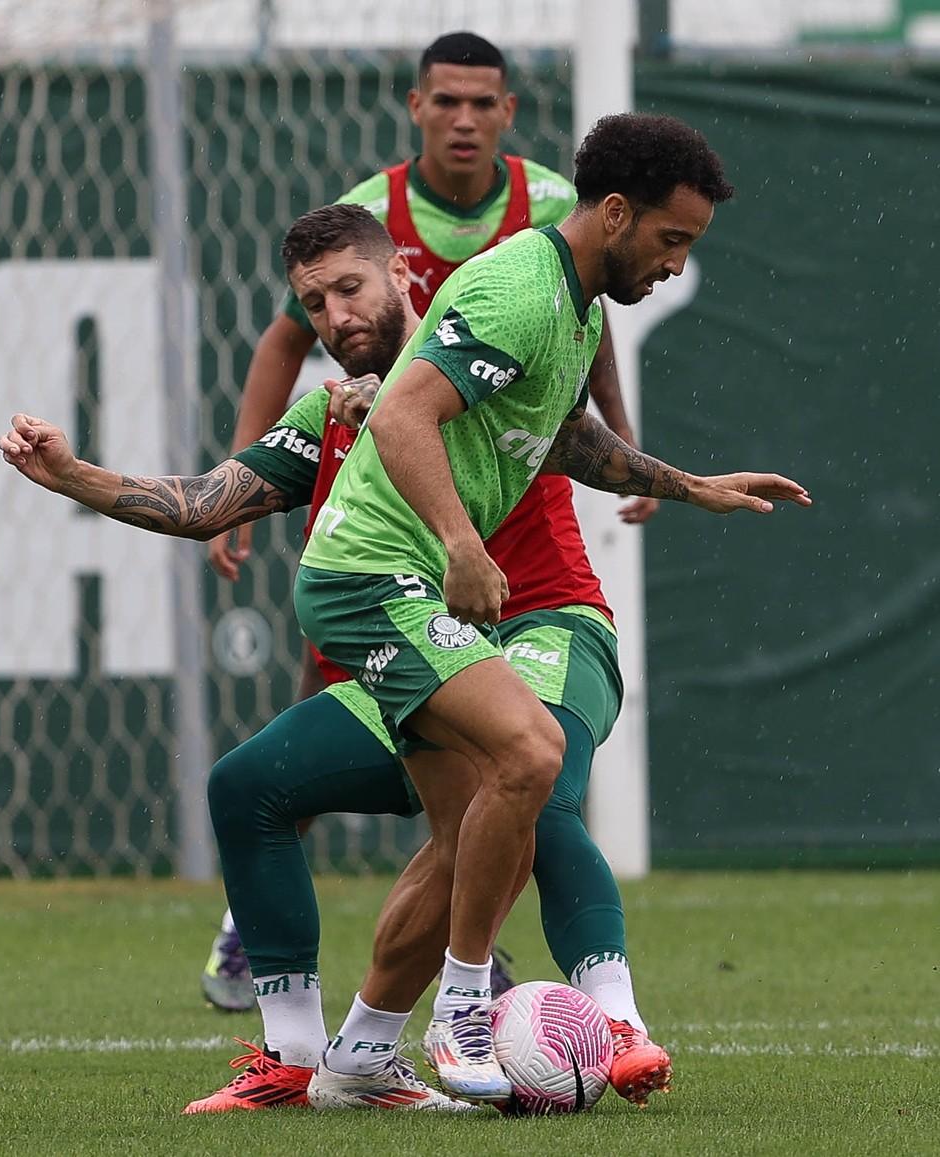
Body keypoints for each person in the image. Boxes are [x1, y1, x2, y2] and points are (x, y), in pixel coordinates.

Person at [0, 204, 672, 1114]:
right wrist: (71, 474)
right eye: (314, 304)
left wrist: (687, 485)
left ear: (402, 274)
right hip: (421, 647)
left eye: (349, 288)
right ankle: (312, 1057)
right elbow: (203, 499)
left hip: (545, 625)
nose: (335, 317)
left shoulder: (497, 353)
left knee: (530, 772)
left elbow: (592, 445)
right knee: (248, 786)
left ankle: (616, 1023)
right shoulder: (331, 411)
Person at [292, 112, 811, 1104]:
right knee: (529, 753)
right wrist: (459, 543)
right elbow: (403, 412)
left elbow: (561, 436)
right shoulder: (520, 288)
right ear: (616, 213)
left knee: (472, 830)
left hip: (396, 573)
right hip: (370, 575)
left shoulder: (574, 305)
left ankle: (356, 1054)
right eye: (672, 239)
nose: (673, 264)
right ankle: (465, 1008)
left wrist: (689, 482)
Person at [200, 28, 659, 1011]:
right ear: (415, 107)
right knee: (296, 755)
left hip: (521, 533)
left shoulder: (550, 213)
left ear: (508, 112)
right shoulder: (368, 219)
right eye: (443, 100)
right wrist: (235, 487)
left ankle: (592, 1012)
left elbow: (588, 324)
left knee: (532, 765)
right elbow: (291, 342)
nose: (462, 117)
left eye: (481, 101)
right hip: (403, 530)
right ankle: (335, 968)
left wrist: (629, 443)